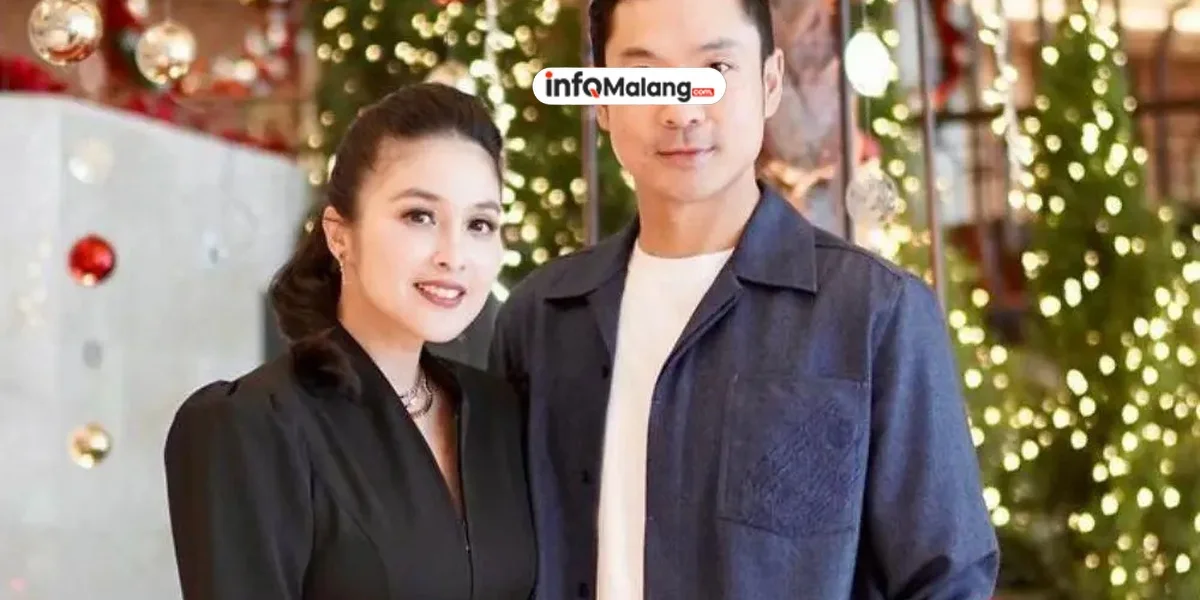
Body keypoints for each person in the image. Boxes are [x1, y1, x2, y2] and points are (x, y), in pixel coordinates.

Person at [488, 0, 1000, 598]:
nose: (681, 109)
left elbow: (946, 581)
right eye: (644, 75)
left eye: (716, 69)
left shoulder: (876, 313)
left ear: (770, 81)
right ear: (601, 97)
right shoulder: (538, 320)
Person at [164, 83, 536, 599]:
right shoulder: (251, 425)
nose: (454, 255)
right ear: (340, 234)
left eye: (479, 224)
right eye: (419, 216)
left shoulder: (498, 415)